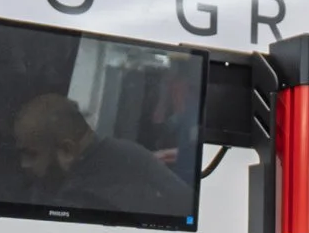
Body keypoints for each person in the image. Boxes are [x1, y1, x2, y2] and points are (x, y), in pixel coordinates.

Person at [11, 92, 197, 217]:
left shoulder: (86, 198)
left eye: (31, 155)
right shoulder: (124, 153)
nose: (23, 165)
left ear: (67, 150)